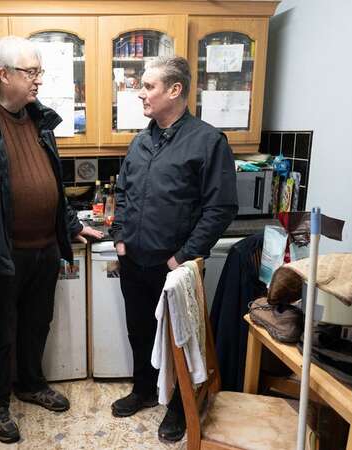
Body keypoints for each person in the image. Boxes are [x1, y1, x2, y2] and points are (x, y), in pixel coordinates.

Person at [0, 36, 102, 444]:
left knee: (36, 322)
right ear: (3, 74)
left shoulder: (39, 117)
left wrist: (70, 225)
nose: (38, 81)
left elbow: (53, 181)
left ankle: (30, 383)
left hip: (45, 247)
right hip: (0, 252)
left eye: (40, 72)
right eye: (31, 72)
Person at [108, 56, 238, 442]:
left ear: (174, 90)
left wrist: (183, 256)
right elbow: (123, 192)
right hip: (134, 260)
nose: (141, 94)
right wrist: (119, 236)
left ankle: (180, 406)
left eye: (149, 87)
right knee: (140, 331)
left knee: (182, 339)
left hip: (177, 268)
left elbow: (220, 208)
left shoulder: (208, 141)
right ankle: (145, 390)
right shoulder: (141, 140)